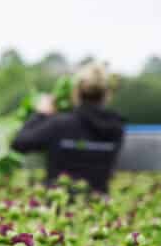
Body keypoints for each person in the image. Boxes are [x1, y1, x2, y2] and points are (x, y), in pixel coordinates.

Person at [9, 63, 125, 193]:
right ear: (107, 95)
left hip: (60, 207)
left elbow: (19, 143)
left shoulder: (60, 124)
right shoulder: (116, 127)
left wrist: (41, 114)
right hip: (98, 205)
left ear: (75, 92)